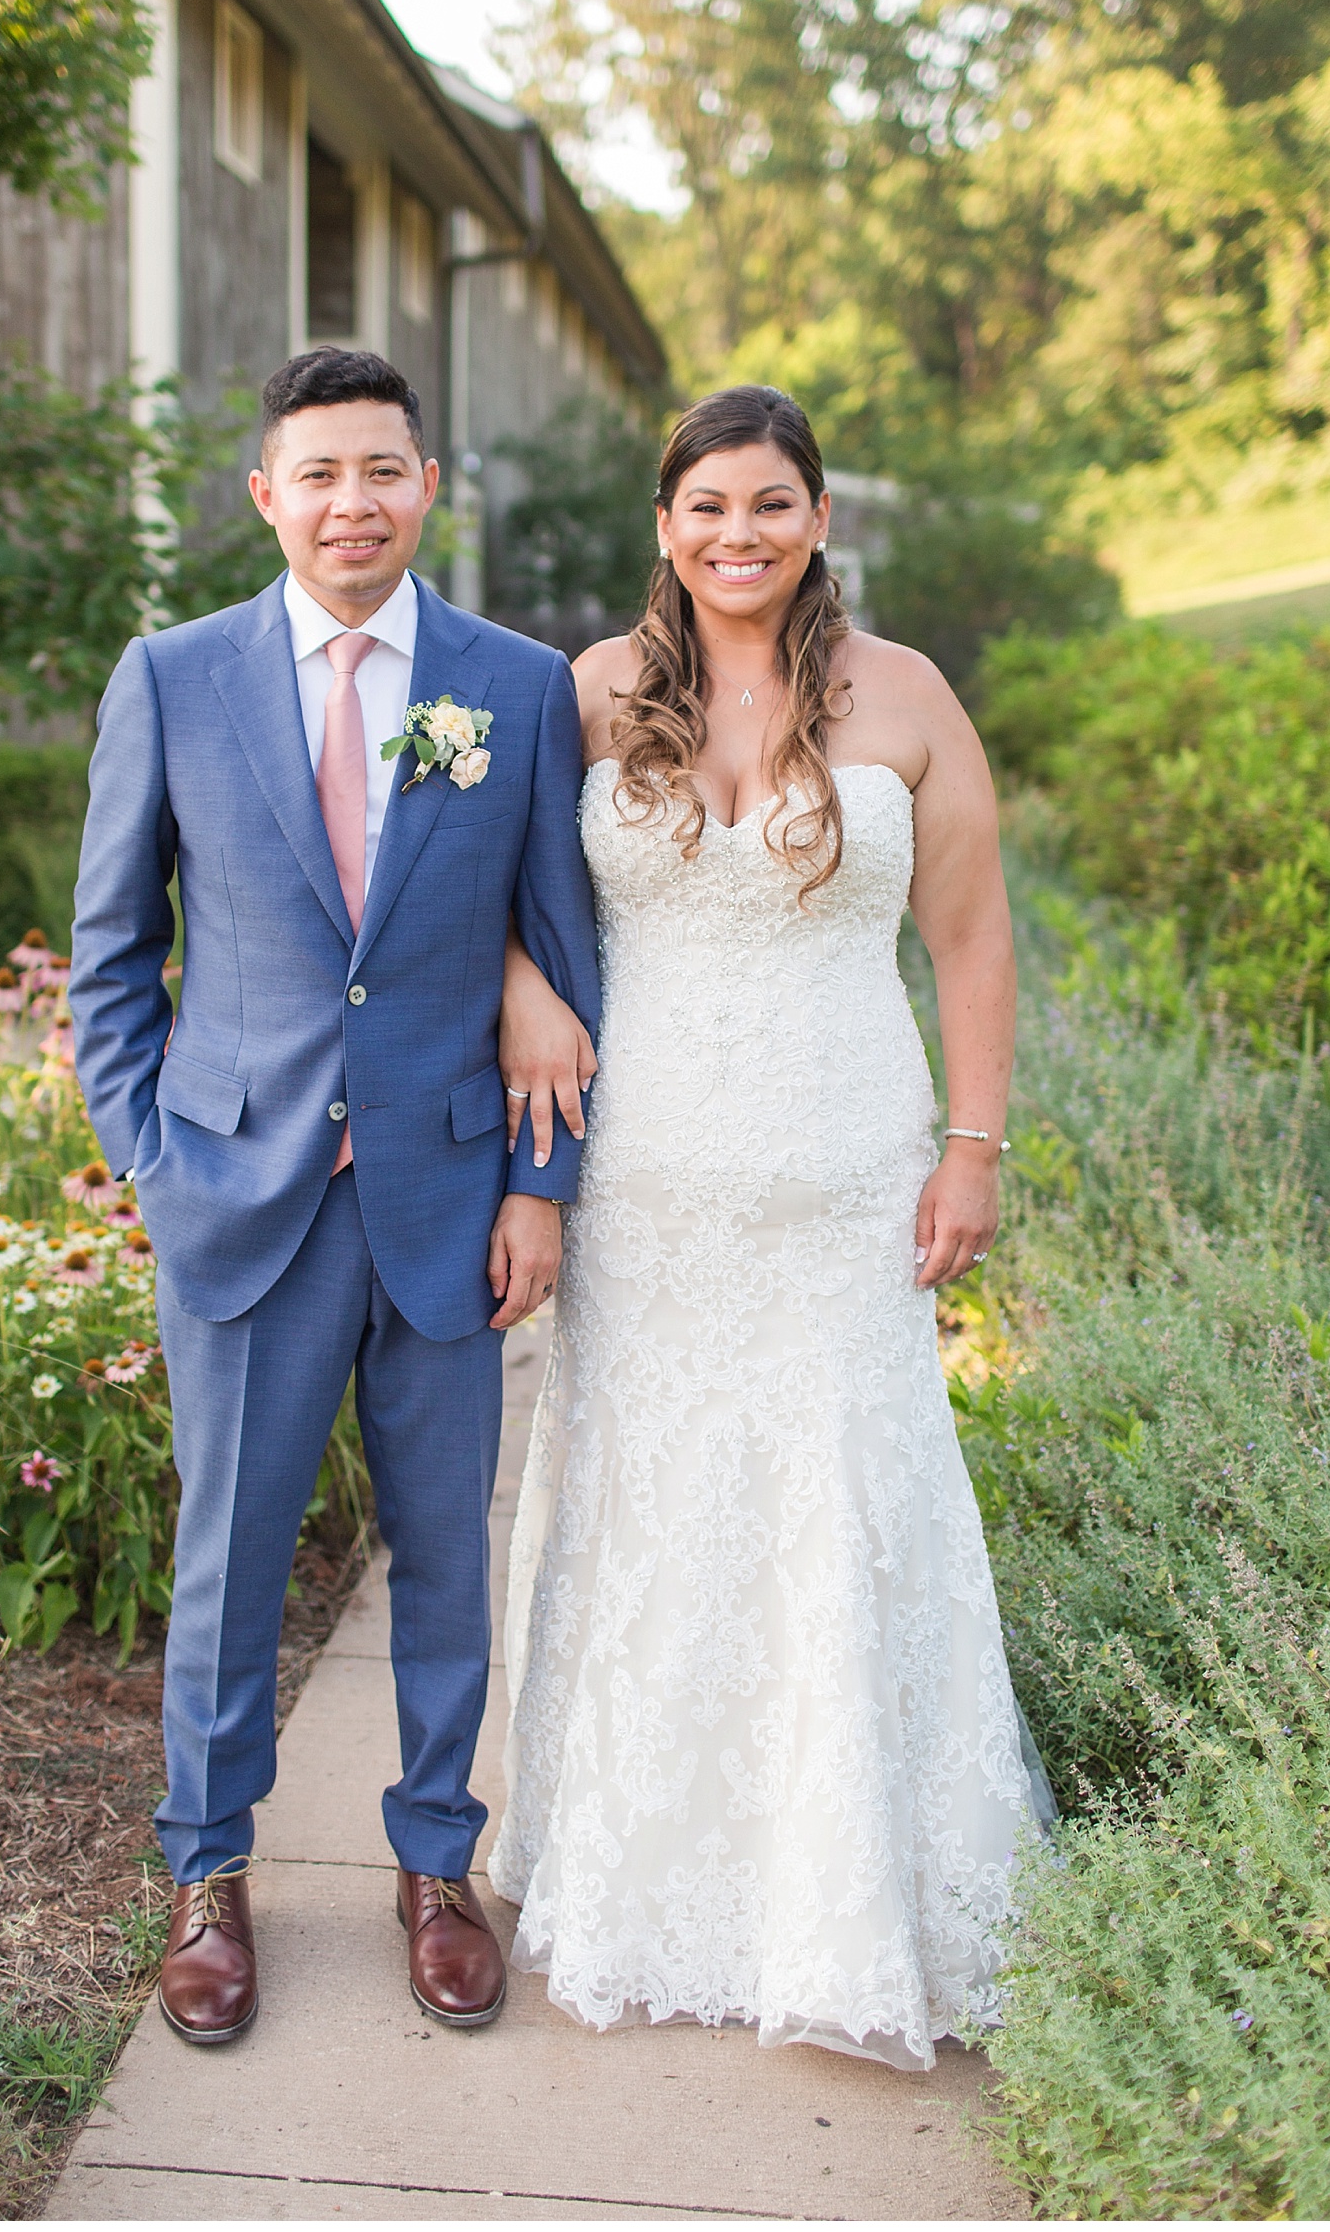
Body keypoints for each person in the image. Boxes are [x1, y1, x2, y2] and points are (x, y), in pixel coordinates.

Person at [488, 383, 1038, 2070]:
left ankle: (848, 1889)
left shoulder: (909, 695)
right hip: (643, 1182)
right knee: (645, 1495)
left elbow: (970, 939)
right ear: (664, 525)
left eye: (772, 504)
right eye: (709, 504)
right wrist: (523, 988)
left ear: (818, 521)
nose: (740, 532)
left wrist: (973, 1148)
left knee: (843, 1494)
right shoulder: (583, 693)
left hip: (841, 1182)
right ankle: (640, 1870)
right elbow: (488, 891)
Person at [69, 347, 599, 2045]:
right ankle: (207, 1869)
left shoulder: (515, 688)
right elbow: (110, 953)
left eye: (382, 469)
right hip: (241, 1192)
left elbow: (563, 959)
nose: (351, 503)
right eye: (319, 474)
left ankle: (438, 1862)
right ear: (267, 496)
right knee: (226, 1557)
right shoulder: (173, 676)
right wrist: (152, 1152)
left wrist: (544, 1187)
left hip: (450, 1196)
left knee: (450, 1550)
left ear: (424, 485)